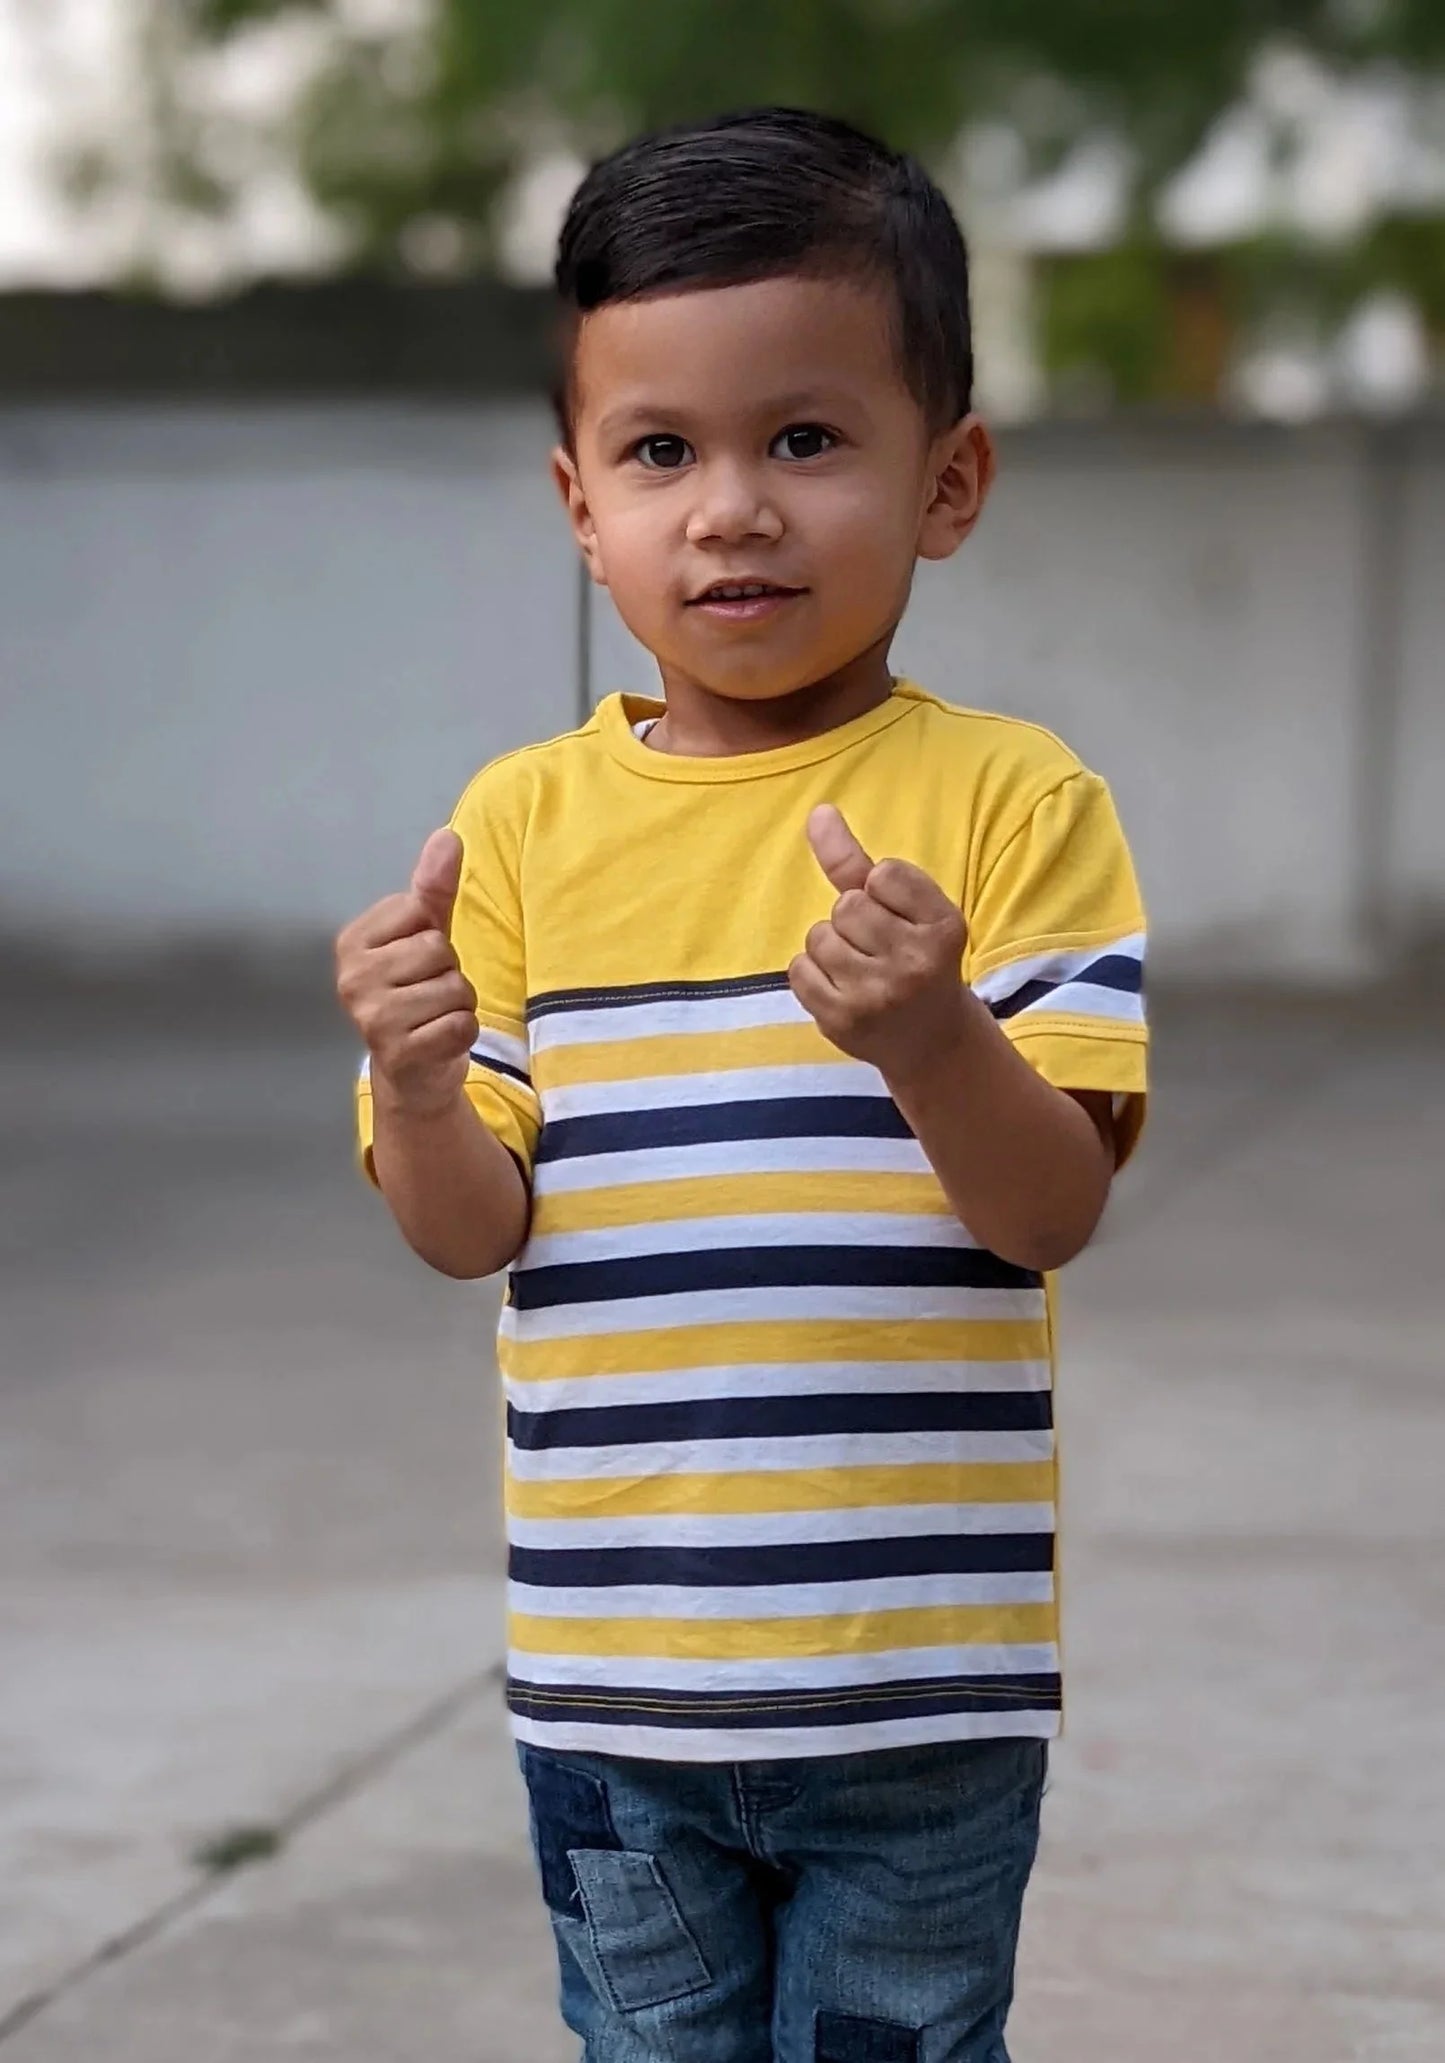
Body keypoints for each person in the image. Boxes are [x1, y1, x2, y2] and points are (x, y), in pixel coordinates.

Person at [335, 106, 1147, 2063]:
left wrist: (932, 1035)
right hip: (618, 1690)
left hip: (919, 1693)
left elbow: (1050, 1209)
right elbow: (468, 1235)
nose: (729, 511)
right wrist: (419, 1084)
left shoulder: (1014, 803)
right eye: (660, 453)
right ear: (577, 501)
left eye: (802, 439)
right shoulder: (516, 828)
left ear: (948, 479)